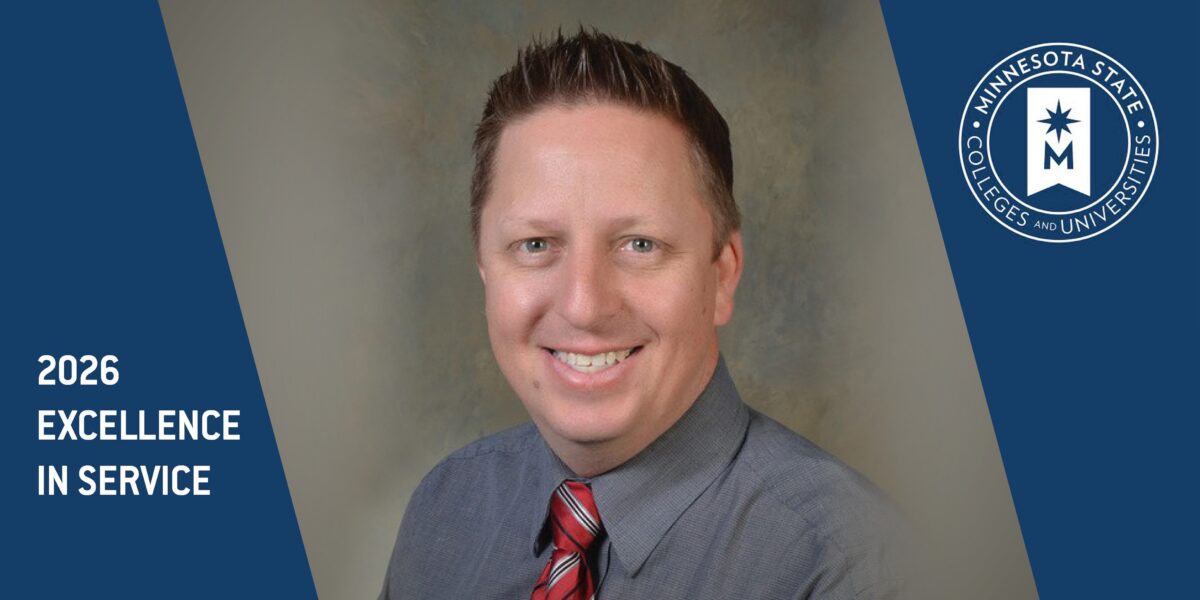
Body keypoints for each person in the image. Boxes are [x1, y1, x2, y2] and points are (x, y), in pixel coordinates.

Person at [380, 29, 906, 599]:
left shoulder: (850, 569)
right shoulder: (445, 509)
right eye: (535, 245)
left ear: (722, 274)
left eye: (640, 245)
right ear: (485, 268)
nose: (584, 306)